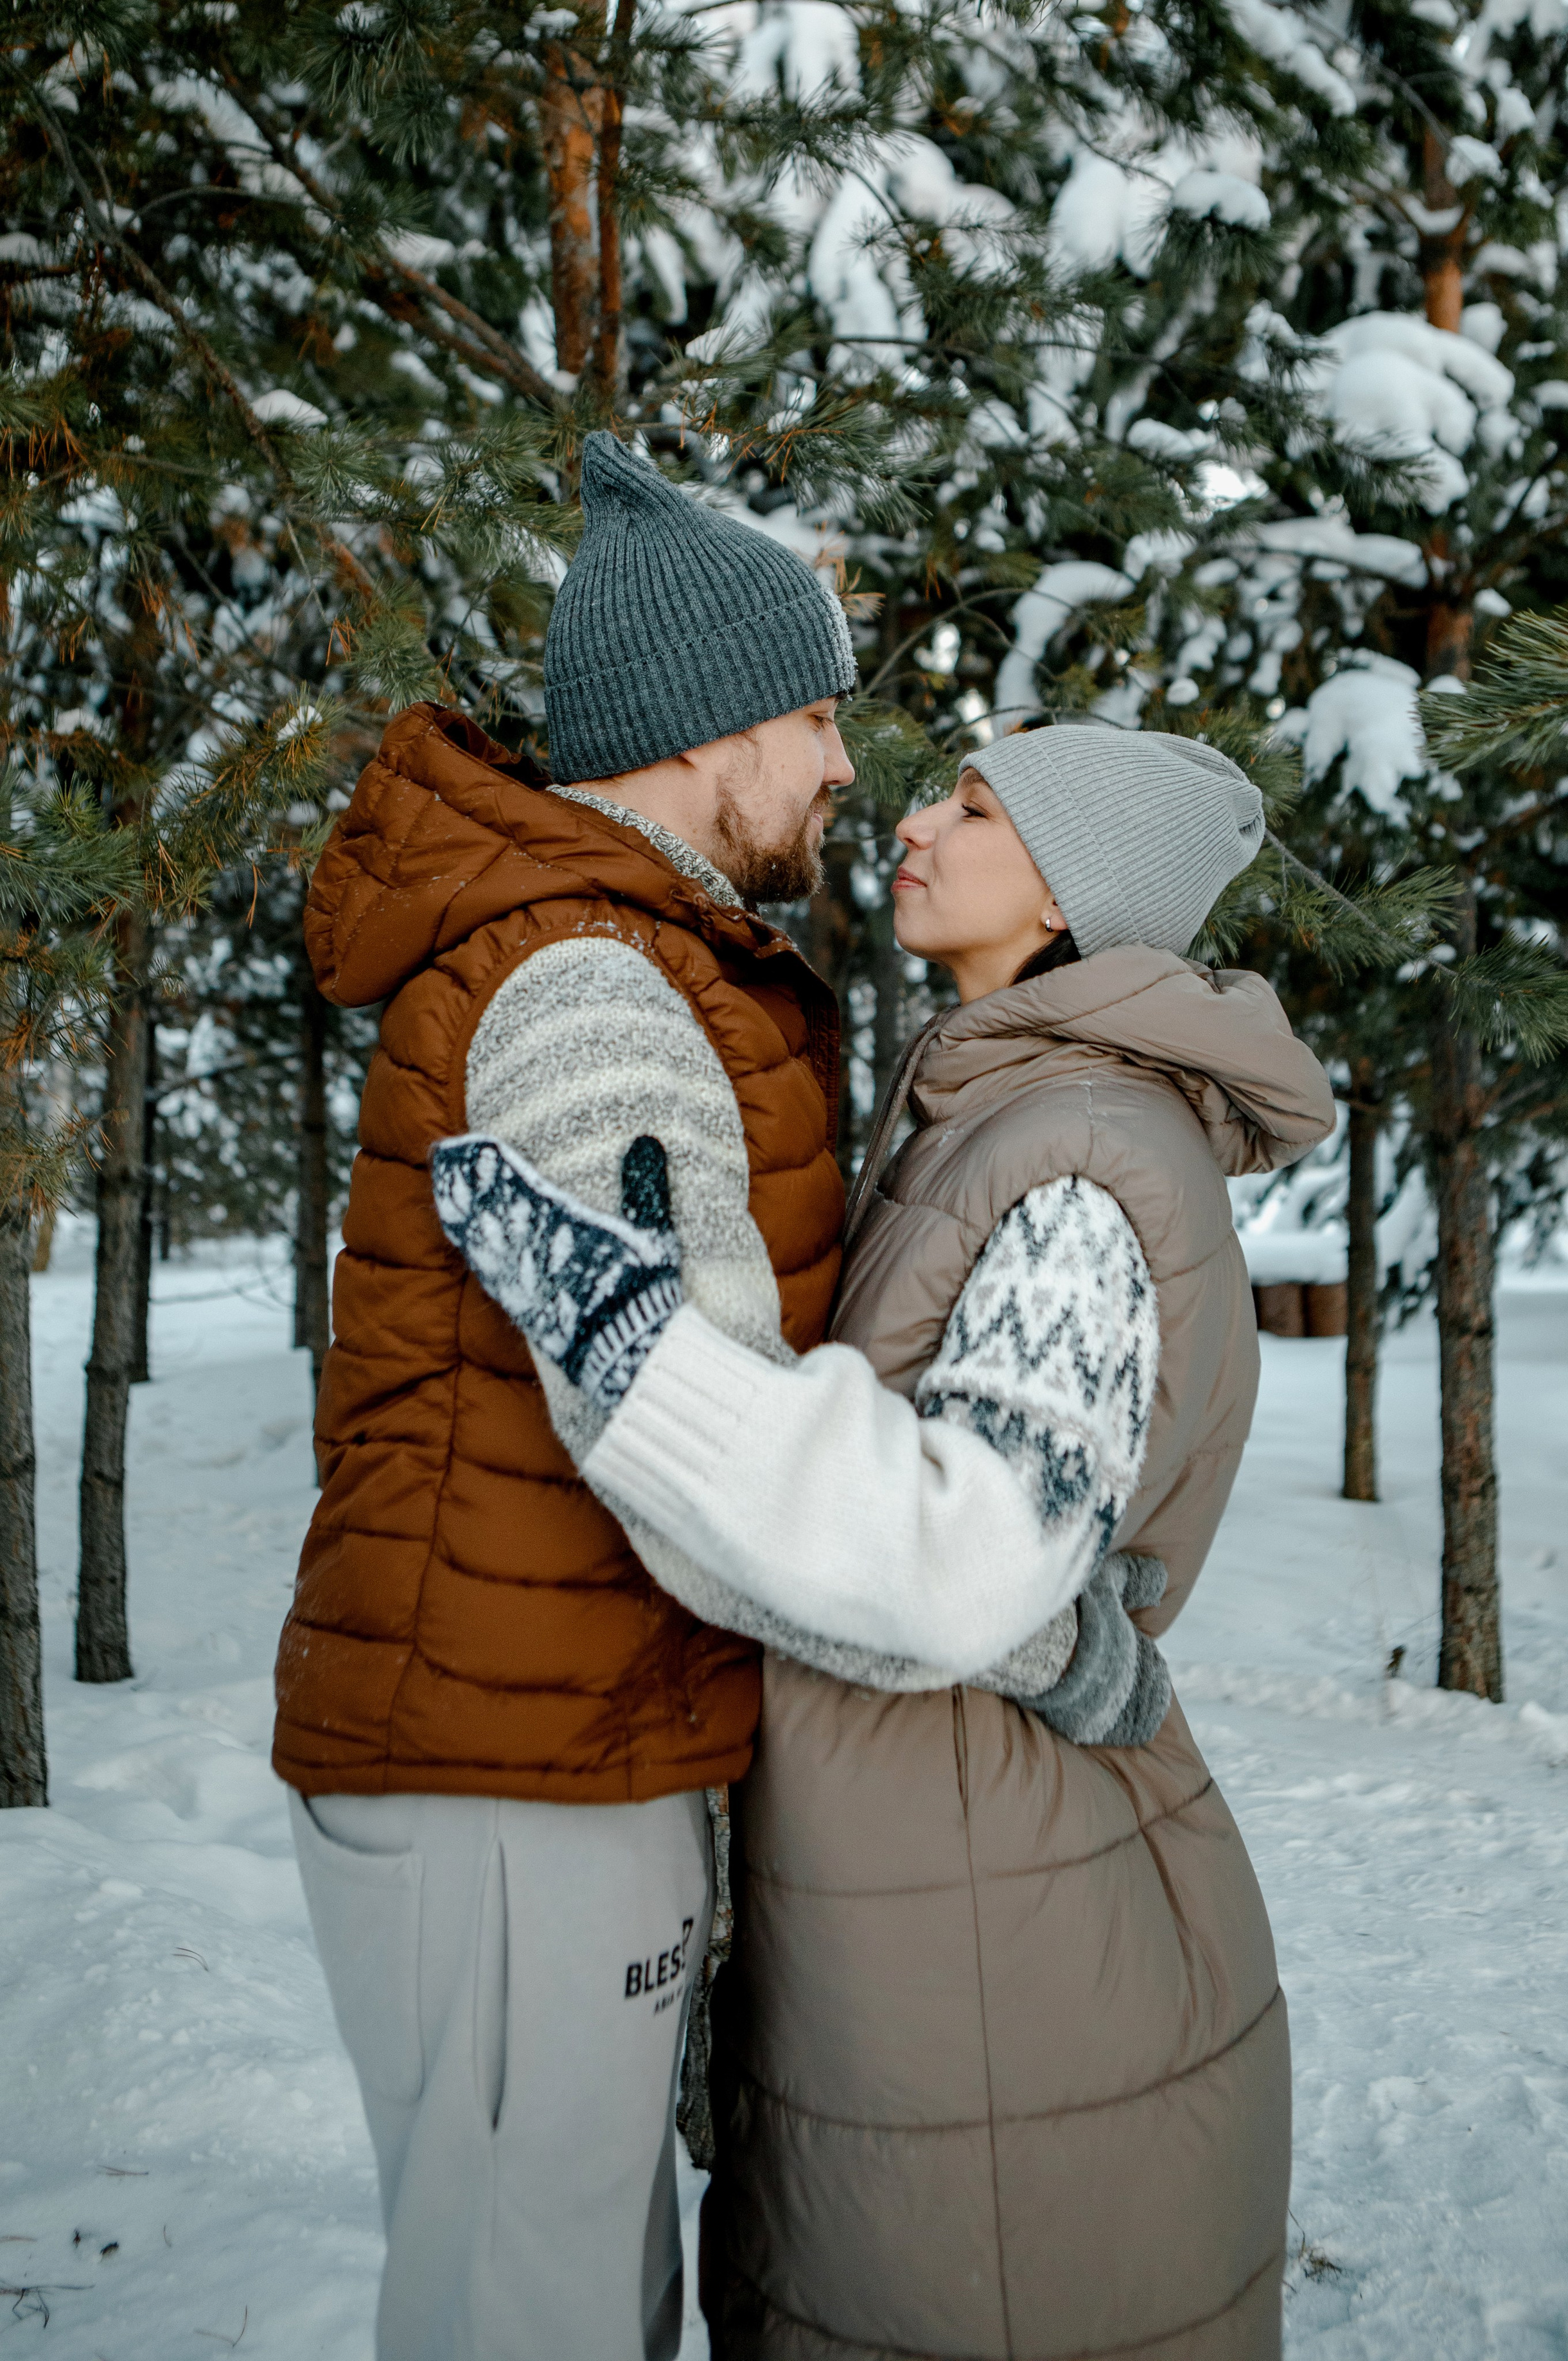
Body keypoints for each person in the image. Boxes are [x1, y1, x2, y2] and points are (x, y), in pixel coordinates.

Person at [432, 720, 1339, 2360]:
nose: (912, 812)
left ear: (1073, 896)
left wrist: (637, 1351)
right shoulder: (990, 1110)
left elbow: (978, 1550)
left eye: (976, 807)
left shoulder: (1079, 1161)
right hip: (926, 1861)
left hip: (992, 1915)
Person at [270, 429, 869, 2361]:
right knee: (522, 2315)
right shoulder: (589, 983)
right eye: (813, 715)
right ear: (712, 730)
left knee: (582, 2293)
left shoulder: (621, 947)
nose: (844, 765)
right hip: (504, 1778)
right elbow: (680, 1426)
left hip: (554, 1745)